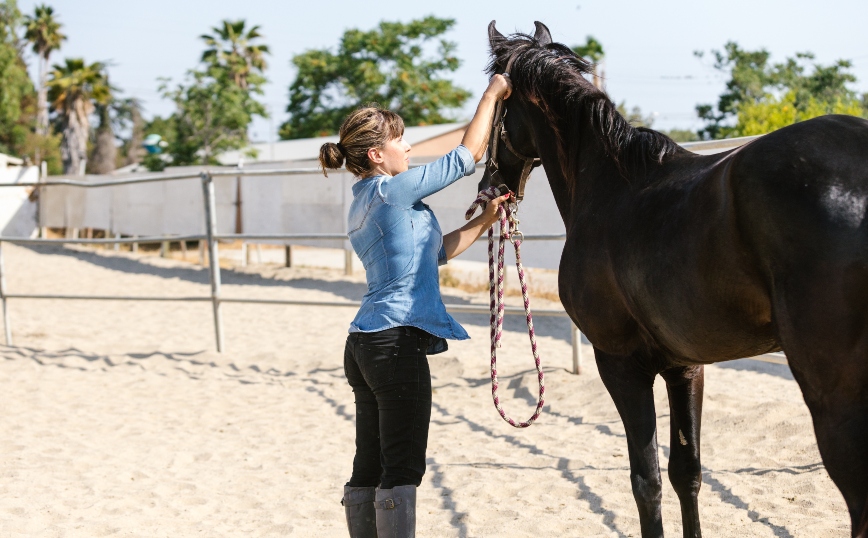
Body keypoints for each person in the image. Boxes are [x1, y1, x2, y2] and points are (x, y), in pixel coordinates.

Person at [319, 73, 512, 538]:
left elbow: (435, 253)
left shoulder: (366, 200)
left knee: (369, 464)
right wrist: (493, 93)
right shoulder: (392, 190)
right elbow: (466, 159)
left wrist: (486, 219)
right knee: (402, 467)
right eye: (400, 141)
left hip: (364, 345)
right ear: (376, 154)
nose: (408, 148)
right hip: (394, 344)